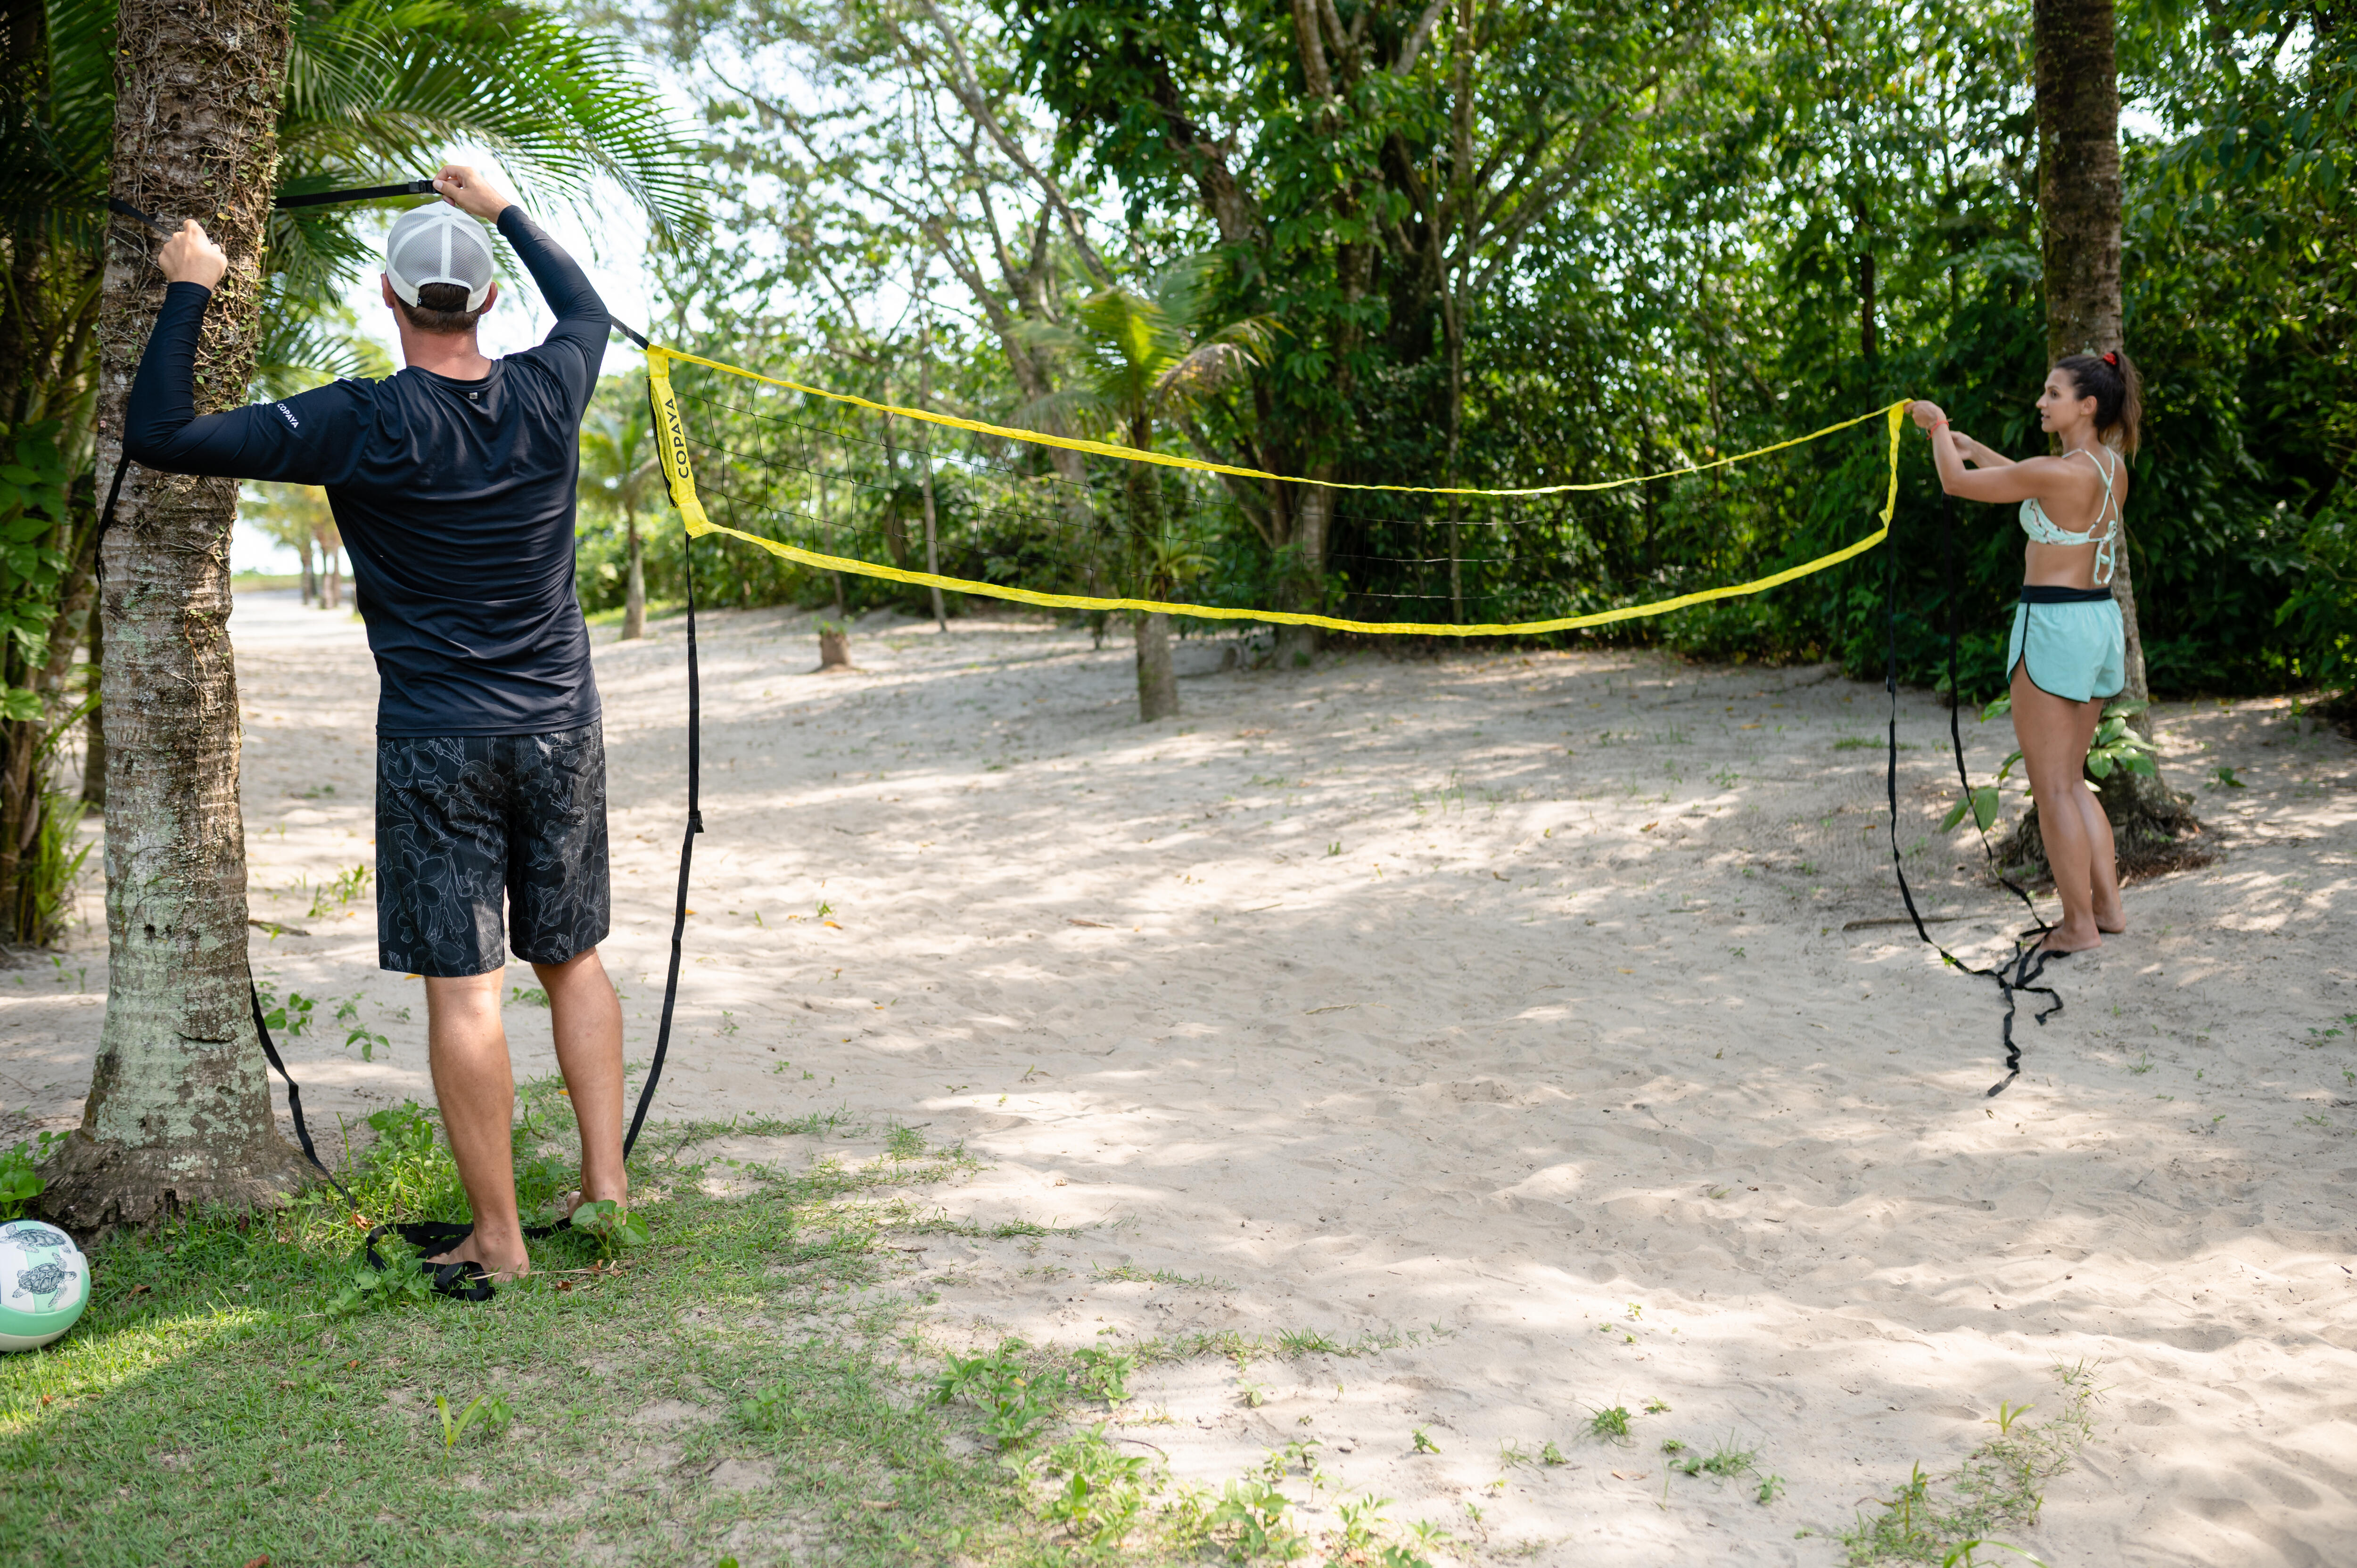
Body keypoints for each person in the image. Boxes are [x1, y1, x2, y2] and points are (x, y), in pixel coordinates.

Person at [123, 164, 626, 1286]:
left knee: (468, 990)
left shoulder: (360, 419)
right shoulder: (552, 386)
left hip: (439, 740)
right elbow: (589, 311)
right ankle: (606, 1195)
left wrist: (192, 284)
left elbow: (160, 431)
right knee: (574, 960)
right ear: (488, 303)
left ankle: (499, 1246)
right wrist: (499, 209)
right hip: (560, 728)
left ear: (389, 301)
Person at [1909, 351, 2144, 955]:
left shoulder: (2058, 470)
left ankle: (2077, 927)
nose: (2041, 402)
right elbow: (2032, 481)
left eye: (2052, 394)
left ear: (2086, 405)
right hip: (2096, 622)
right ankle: (2107, 910)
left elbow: (1954, 484)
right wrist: (1975, 446)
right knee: (2072, 780)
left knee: (2052, 789)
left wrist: (1936, 428)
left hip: (2054, 626)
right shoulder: (2107, 466)